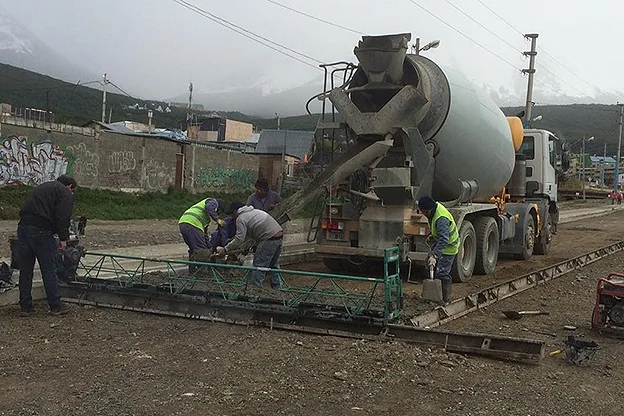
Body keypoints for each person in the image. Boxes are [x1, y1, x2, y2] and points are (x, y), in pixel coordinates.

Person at [17, 175, 78, 316]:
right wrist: (64, 239)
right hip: (41, 230)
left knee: (26, 270)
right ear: (69, 186)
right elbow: (62, 216)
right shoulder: (64, 192)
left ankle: (26, 307)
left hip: (23, 227)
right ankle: (56, 306)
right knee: (49, 269)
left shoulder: (43, 187)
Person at [216, 201, 283, 288]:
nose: (232, 217)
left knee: (259, 265)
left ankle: (255, 290)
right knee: (274, 265)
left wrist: (225, 249)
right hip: (279, 236)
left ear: (235, 211)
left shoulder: (241, 218)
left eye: (232, 214)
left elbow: (239, 239)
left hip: (268, 238)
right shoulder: (254, 212)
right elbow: (254, 233)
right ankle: (278, 287)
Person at [418, 195, 460, 304]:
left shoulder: (441, 218)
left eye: (424, 211)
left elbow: (444, 239)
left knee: (442, 273)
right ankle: (432, 293)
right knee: (428, 265)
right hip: (441, 243)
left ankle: (446, 299)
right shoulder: (433, 212)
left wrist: (435, 255)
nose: (423, 214)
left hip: (449, 247)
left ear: (429, 209)